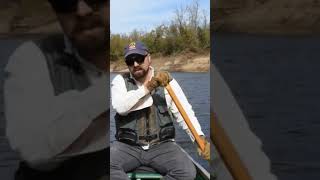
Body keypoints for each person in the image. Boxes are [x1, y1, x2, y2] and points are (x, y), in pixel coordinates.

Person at [4, 0, 109, 179]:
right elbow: (35, 150)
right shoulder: (31, 58)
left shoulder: (142, 57)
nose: (82, 11)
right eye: (66, 3)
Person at [110, 41, 210, 180]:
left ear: (149, 58)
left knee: (186, 172)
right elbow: (121, 107)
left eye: (139, 59)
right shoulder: (120, 81)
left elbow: (184, 113)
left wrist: (198, 137)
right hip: (127, 147)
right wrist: (149, 87)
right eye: (130, 61)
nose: (135, 64)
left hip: (162, 146)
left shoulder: (166, 82)